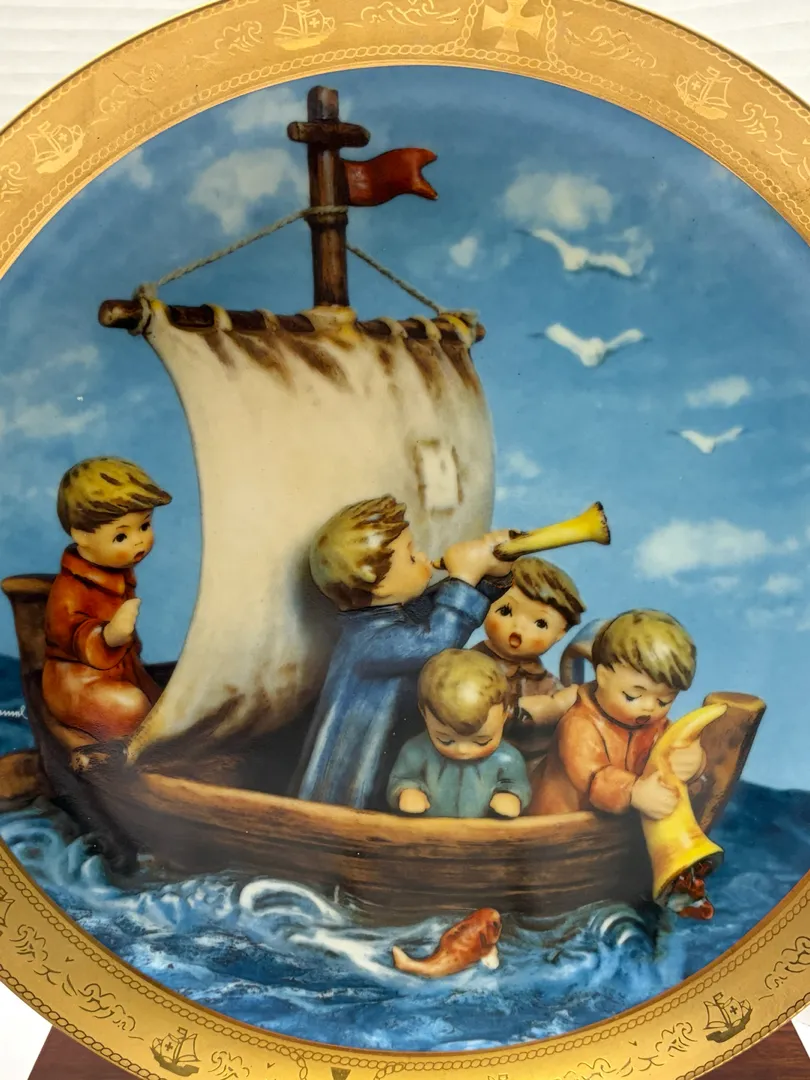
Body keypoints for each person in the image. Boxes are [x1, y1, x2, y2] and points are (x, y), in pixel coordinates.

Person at [293, 494, 511, 809]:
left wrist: (494, 574)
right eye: (410, 556)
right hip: (354, 792)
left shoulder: (394, 617)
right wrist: (464, 577)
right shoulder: (367, 641)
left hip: (395, 768)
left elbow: (438, 605)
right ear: (379, 585)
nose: (423, 558)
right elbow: (438, 640)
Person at [42, 457, 172, 743]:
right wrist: (108, 636)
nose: (139, 541)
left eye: (145, 526)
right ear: (81, 536)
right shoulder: (70, 588)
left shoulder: (118, 572)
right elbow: (69, 633)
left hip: (123, 671)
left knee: (166, 708)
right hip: (77, 681)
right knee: (133, 709)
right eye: (121, 536)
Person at [530, 609, 705, 818]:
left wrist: (693, 761)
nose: (649, 708)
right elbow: (592, 777)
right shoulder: (579, 724)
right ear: (603, 677)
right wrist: (633, 792)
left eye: (663, 701)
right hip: (562, 817)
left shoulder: (655, 724)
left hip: (618, 820)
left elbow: (676, 744)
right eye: (632, 696)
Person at [387, 649, 531, 818]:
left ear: (504, 715)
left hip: (484, 831)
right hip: (429, 829)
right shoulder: (415, 751)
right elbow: (401, 779)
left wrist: (510, 796)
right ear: (424, 714)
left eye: (482, 741)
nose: (463, 750)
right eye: (446, 739)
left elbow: (518, 785)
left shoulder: (508, 758)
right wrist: (407, 791)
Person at [473, 556, 584, 772]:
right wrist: (550, 707)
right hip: (485, 762)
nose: (518, 628)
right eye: (506, 611)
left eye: (540, 623)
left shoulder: (545, 680)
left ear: (560, 634)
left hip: (536, 764)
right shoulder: (469, 665)